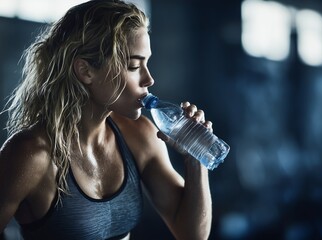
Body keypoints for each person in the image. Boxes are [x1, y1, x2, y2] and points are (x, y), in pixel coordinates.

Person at [0, 0, 213, 239]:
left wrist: (196, 160)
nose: (149, 79)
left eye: (147, 63)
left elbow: (193, 234)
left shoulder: (139, 134)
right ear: (86, 71)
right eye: (134, 65)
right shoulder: (31, 154)